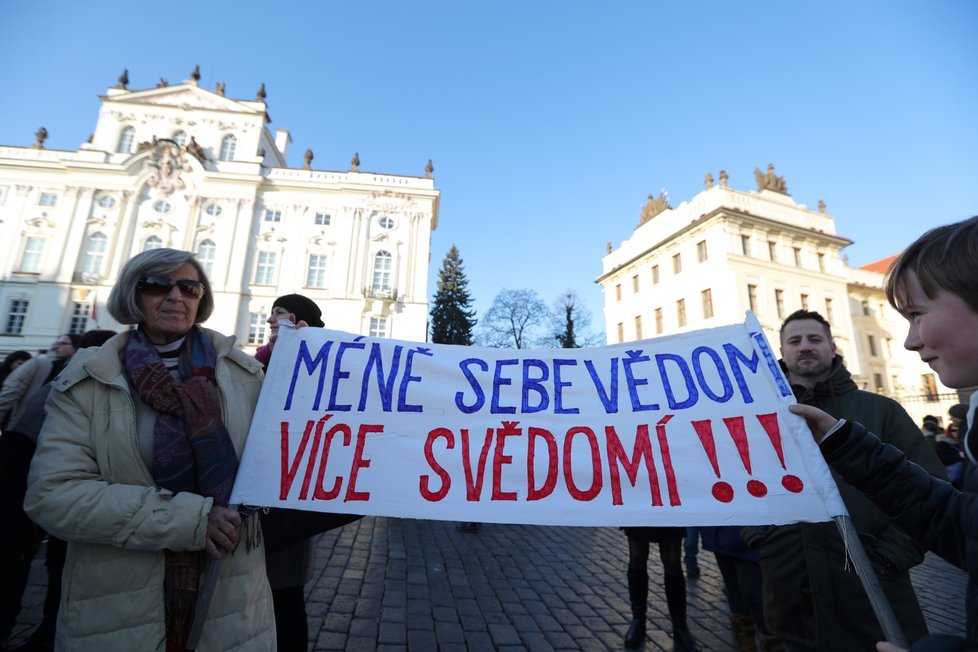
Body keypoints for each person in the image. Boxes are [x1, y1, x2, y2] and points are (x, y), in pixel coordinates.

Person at [23, 248, 275, 651]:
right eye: (158, 285)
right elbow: (53, 495)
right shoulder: (89, 378)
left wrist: (303, 352)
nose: (176, 296)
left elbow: (296, 448)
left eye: (189, 287)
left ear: (201, 299)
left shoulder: (246, 375)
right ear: (132, 295)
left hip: (230, 606)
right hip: (117, 609)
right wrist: (191, 520)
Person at [791, 215, 978, 651]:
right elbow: (959, 525)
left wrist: (886, 562)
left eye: (915, 315)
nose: (909, 342)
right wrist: (843, 442)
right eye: (794, 340)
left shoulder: (883, 408)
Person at [741, 309, 946, 651]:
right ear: (782, 352)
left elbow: (931, 491)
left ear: (832, 348)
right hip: (793, 597)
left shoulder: (881, 410)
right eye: (795, 340)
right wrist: (762, 538)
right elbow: (742, 483)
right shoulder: (761, 417)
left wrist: (892, 555)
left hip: (873, 596)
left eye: (815, 339)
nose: (805, 346)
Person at [4, 330, 115, 652]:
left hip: (27, 475)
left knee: (36, 559)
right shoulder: (80, 385)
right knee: (40, 560)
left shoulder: (65, 380)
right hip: (35, 479)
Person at [0, 336, 78, 649]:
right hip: (24, 459)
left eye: (65, 341)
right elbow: (8, 395)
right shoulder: (46, 365)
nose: (60, 345)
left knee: (20, 549)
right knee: (17, 548)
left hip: (25, 458)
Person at [256, 294, 323, 652]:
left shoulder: (312, 366)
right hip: (257, 498)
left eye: (277, 314)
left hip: (284, 503)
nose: (269, 322)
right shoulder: (261, 363)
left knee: (285, 599)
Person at [700, 526, 783, 652]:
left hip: (745, 533)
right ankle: (747, 642)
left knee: (753, 593)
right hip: (719, 531)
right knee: (733, 588)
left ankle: (772, 640)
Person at [621, 527, 699, 650]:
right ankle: (638, 620)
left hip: (669, 514)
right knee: (637, 557)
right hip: (640, 512)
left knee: (672, 561)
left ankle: (680, 625)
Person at [0, 336, 79, 430]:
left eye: (63, 343)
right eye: (57, 343)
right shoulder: (38, 363)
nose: (56, 347)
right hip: (22, 427)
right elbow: (10, 392)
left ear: (75, 347)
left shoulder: (74, 372)